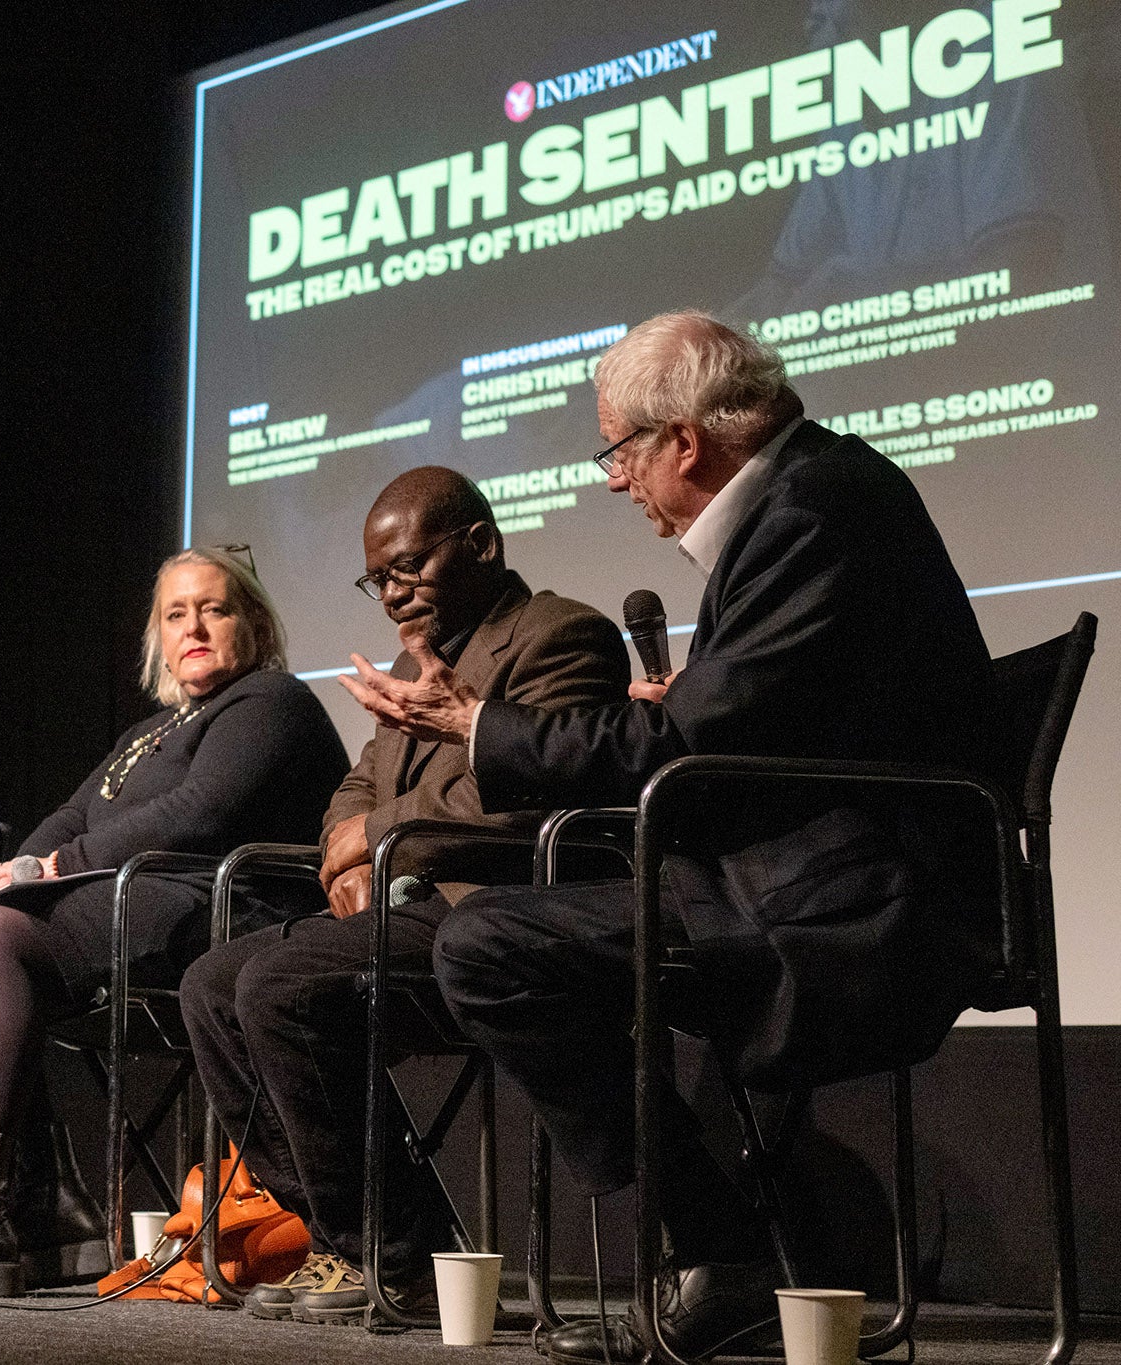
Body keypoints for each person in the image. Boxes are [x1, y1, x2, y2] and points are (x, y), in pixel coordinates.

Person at [341, 311, 996, 1364]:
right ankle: (729, 1251)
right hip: (802, 864)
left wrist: (475, 723)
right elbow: (737, 724)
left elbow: (688, 745)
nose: (614, 482)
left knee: (490, 947)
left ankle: (720, 1255)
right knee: (499, 936)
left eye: (617, 453)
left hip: (857, 892)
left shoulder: (812, 509)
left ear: (683, 441)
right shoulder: (818, 493)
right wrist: (680, 712)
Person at [0, 547, 349, 1297]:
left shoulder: (271, 700)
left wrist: (57, 866)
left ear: (255, 625)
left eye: (215, 609)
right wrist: (21, 864)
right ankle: (45, 1203)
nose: (194, 627)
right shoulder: (148, 731)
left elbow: (198, 810)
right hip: (136, 903)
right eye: (176, 613)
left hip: (223, 913)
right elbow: (72, 813)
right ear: (158, 637)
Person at [179, 468, 629, 1325]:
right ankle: (350, 1235)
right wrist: (346, 855)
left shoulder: (561, 635)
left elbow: (528, 791)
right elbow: (357, 787)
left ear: (481, 544)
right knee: (210, 985)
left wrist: (381, 834)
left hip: (497, 911)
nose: (391, 593)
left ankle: (389, 1253)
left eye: (407, 568)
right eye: (375, 579)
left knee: (279, 985)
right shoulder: (411, 663)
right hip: (398, 908)